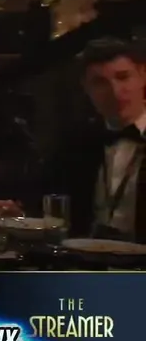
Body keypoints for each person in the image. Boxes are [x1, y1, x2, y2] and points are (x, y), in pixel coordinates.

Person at [34, 39, 146, 240]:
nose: (115, 91)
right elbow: (47, 203)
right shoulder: (75, 143)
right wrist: (17, 210)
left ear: (143, 76)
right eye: (100, 82)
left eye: (123, 77)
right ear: (86, 88)